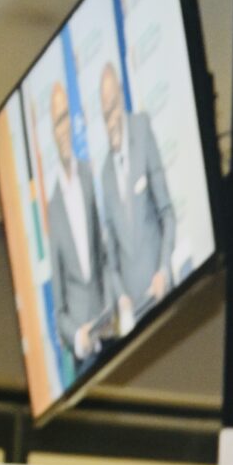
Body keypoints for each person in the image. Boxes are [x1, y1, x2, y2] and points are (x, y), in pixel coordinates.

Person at [95, 61, 176, 331]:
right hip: (137, 322)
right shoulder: (105, 173)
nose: (112, 121)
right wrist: (121, 297)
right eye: (105, 115)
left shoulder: (142, 129)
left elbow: (167, 213)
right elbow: (111, 261)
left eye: (114, 107)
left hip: (166, 299)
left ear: (121, 96)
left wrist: (163, 270)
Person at [39, 82, 107, 369]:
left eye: (66, 117)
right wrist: (77, 337)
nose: (64, 128)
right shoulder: (52, 208)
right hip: (85, 354)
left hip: (113, 329)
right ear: (53, 133)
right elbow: (59, 309)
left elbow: (106, 255)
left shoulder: (91, 176)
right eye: (58, 122)